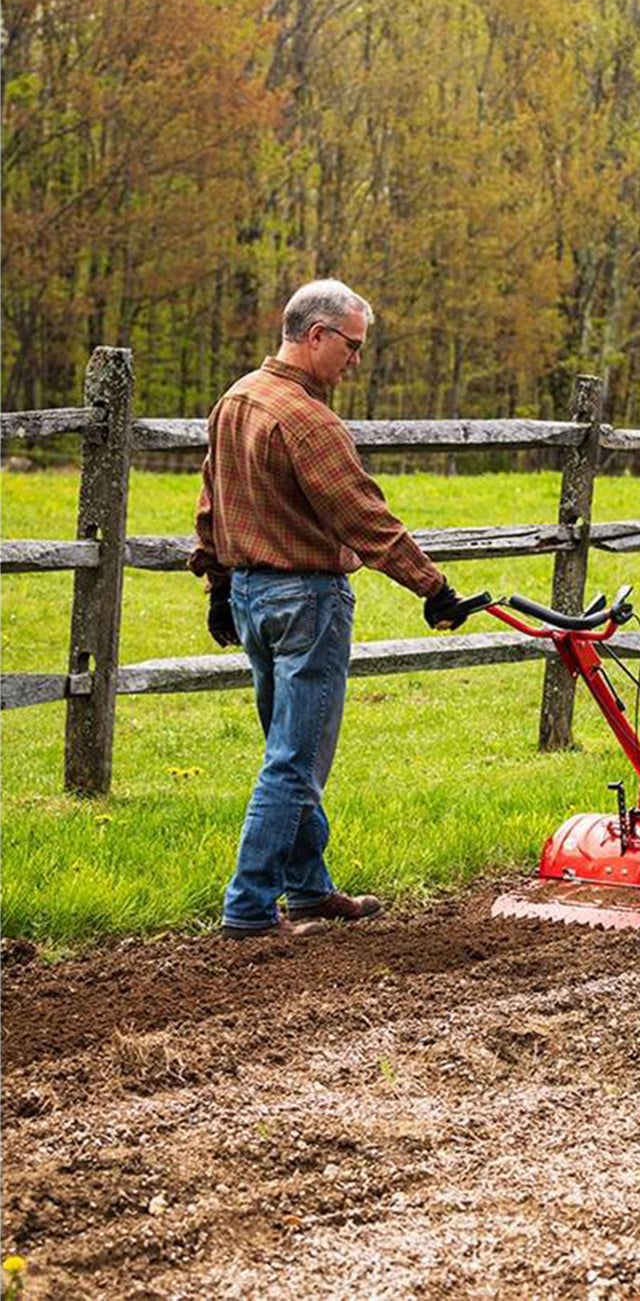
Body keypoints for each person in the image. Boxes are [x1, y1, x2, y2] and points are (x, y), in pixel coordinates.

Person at [190, 279, 472, 939]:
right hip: (306, 602)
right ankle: (250, 910)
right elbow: (363, 515)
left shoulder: (237, 399)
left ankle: (309, 889)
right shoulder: (307, 419)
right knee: (295, 759)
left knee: (288, 751)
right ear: (315, 335)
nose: (354, 360)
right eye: (350, 346)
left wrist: (220, 583)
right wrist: (432, 587)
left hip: (255, 599)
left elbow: (212, 501)